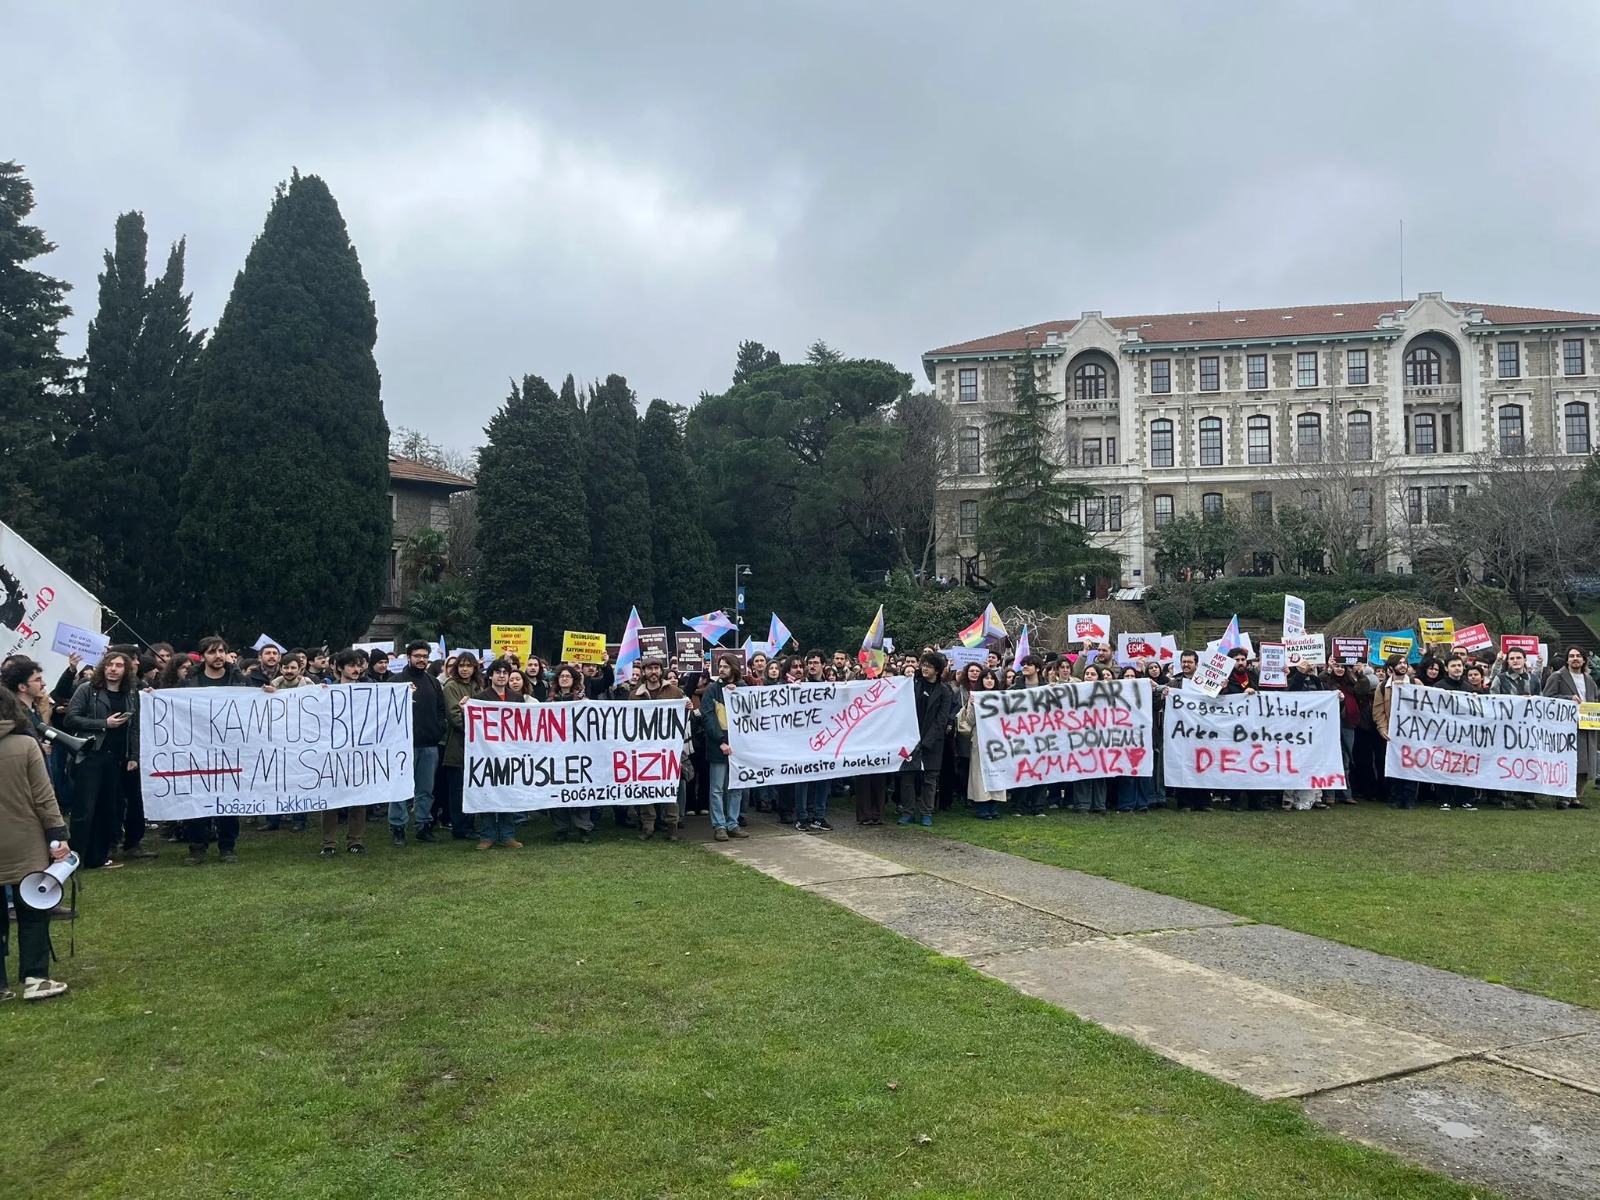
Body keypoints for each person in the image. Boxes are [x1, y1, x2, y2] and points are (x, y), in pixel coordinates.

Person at [0, 685, 72, 1001]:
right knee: (32, 908)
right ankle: (36, 977)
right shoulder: (27, 745)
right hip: (24, 839)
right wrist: (58, 834)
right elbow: (44, 797)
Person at [182, 637, 260, 864]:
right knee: (198, 798)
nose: (217, 656)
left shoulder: (239, 680)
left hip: (230, 748)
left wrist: (265, 693)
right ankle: (197, 846)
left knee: (228, 798)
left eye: (221, 651)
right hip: (198, 748)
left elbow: (253, 705)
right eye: (211, 652)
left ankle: (227, 846)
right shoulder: (190, 682)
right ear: (203, 656)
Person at [63, 650, 143, 870]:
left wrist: (133, 756)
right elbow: (71, 719)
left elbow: (134, 728)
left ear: (126, 670)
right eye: (109, 664)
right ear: (102, 667)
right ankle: (76, 857)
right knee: (84, 809)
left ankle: (96, 857)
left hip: (115, 757)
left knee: (106, 808)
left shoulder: (130, 693)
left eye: (118, 665)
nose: (113, 669)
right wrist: (103, 723)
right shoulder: (87, 689)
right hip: (90, 754)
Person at [394, 640, 447, 846]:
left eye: (425, 656)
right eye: (417, 656)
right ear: (409, 657)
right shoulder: (396, 681)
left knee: (425, 789)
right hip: (402, 746)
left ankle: (423, 825)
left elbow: (441, 709)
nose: (421, 660)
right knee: (399, 789)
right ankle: (398, 827)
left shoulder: (433, 682)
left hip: (429, 744)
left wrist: (439, 728)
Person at [895, 651, 955, 828]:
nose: (925, 668)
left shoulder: (944, 691)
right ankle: (907, 812)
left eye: (929, 666)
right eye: (924, 665)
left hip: (932, 742)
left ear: (937, 670)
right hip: (909, 738)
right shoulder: (913, 684)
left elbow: (941, 720)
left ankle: (926, 812)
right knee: (907, 777)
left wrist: (926, 741)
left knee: (930, 779)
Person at [631, 652, 686, 841]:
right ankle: (648, 826)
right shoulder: (635, 696)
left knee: (669, 787)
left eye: (656, 668)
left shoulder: (674, 692)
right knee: (646, 787)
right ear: (644, 672)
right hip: (644, 750)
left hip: (668, 750)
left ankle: (672, 826)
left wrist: (685, 708)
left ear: (661, 671)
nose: (653, 672)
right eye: (649, 669)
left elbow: (683, 720)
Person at [473, 658, 527, 849]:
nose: (502, 676)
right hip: (487, 753)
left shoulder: (517, 698)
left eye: (505, 672)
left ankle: (507, 835)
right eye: (498, 672)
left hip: (510, 751)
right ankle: (487, 836)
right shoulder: (480, 698)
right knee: (488, 792)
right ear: (491, 676)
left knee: (507, 793)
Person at [321, 650, 370, 855]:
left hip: (359, 751)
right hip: (331, 752)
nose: (356, 669)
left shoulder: (370, 690)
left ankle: (355, 841)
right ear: (339, 667)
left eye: (359, 665)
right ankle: (329, 843)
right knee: (330, 798)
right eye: (351, 665)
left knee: (358, 797)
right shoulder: (325, 689)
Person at [544, 665, 595, 843]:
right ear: (557, 680)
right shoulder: (549, 701)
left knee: (579, 790)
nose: (564, 679)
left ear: (574, 680)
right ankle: (561, 829)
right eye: (561, 676)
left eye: (568, 676)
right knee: (558, 791)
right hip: (556, 752)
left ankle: (583, 828)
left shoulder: (583, 699)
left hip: (578, 751)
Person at [700, 654, 748, 842]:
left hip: (739, 747)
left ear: (734, 668)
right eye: (720, 666)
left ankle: (732, 823)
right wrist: (721, 741)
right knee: (717, 788)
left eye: (725, 666)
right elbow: (708, 717)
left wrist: (738, 692)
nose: (721, 669)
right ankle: (719, 825)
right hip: (718, 746)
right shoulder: (712, 690)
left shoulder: (743, 689)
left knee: (736, 788)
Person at [1542, 646, 1597, 809]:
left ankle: (1575, 796)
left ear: (1584, 659)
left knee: (1586, 761)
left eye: (1578, 656)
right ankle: (1563, 796)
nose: (1575, 658)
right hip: (1565, 727)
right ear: (1567, 659)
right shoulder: (1557, 677)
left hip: (1587, 724)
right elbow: (1547, 698)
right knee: (1567, 761)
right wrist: (1568, 698)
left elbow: (1594, 699)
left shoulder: (1589, 680)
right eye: (1572, 656)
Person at [440, 651, 483, 841]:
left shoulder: (477, 685)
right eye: (461, 666)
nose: (465, 669)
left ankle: (470, 825)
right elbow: (455, 716)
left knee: (472, 788)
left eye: (469, 666)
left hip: (477, 747)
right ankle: (460, 827)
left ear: (474, 668)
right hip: (458, 746)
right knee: (458, 791)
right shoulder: (451, 686)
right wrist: (477, 730)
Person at [791, 651, 833, 831]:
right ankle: (802, 817)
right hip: (804, 741)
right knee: (803, 780)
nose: (813, 666)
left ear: (823, 665)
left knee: (825, 778)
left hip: (826, 740)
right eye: (810, 663)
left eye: (816, 662)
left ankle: (819, 816)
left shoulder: (832, 687)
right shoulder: (800, 686)